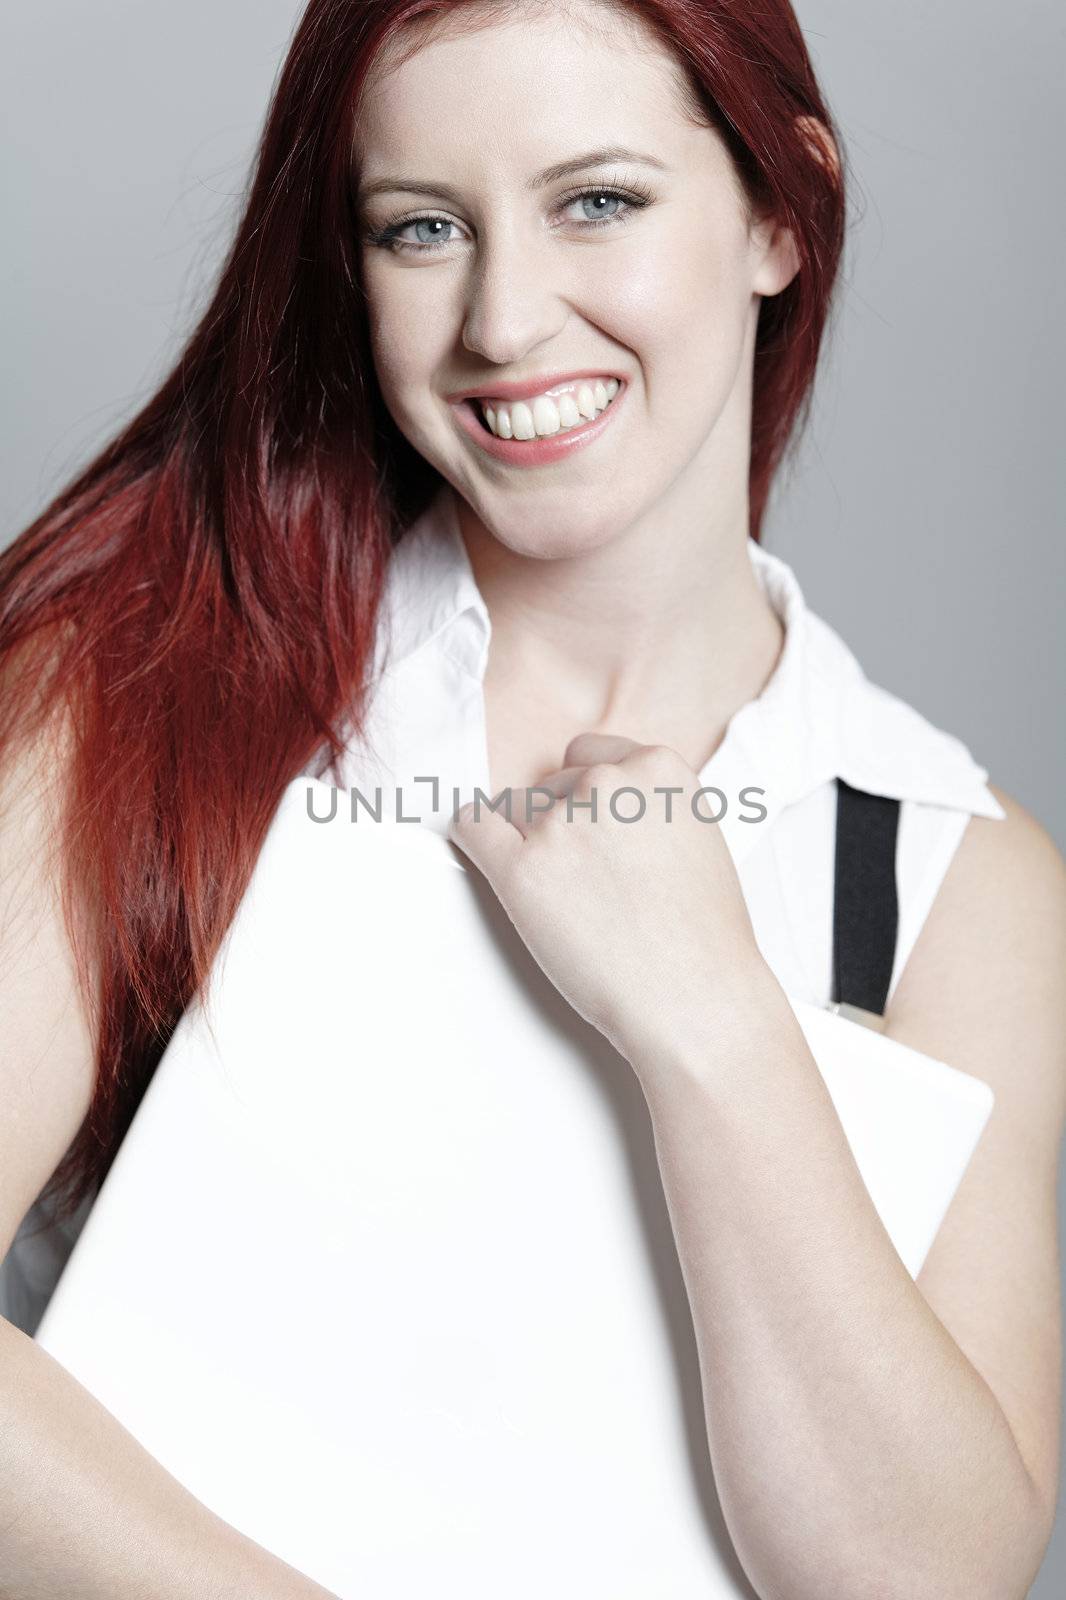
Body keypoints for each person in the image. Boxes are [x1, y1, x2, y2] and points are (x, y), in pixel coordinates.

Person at [0, 0, 1062, 1595]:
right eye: (421, 228)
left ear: (780, 212)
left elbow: (924, 1579)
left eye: (598, 202)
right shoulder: (138, 693)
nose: (503, 319)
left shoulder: (943, 868)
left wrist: (712, 1024)